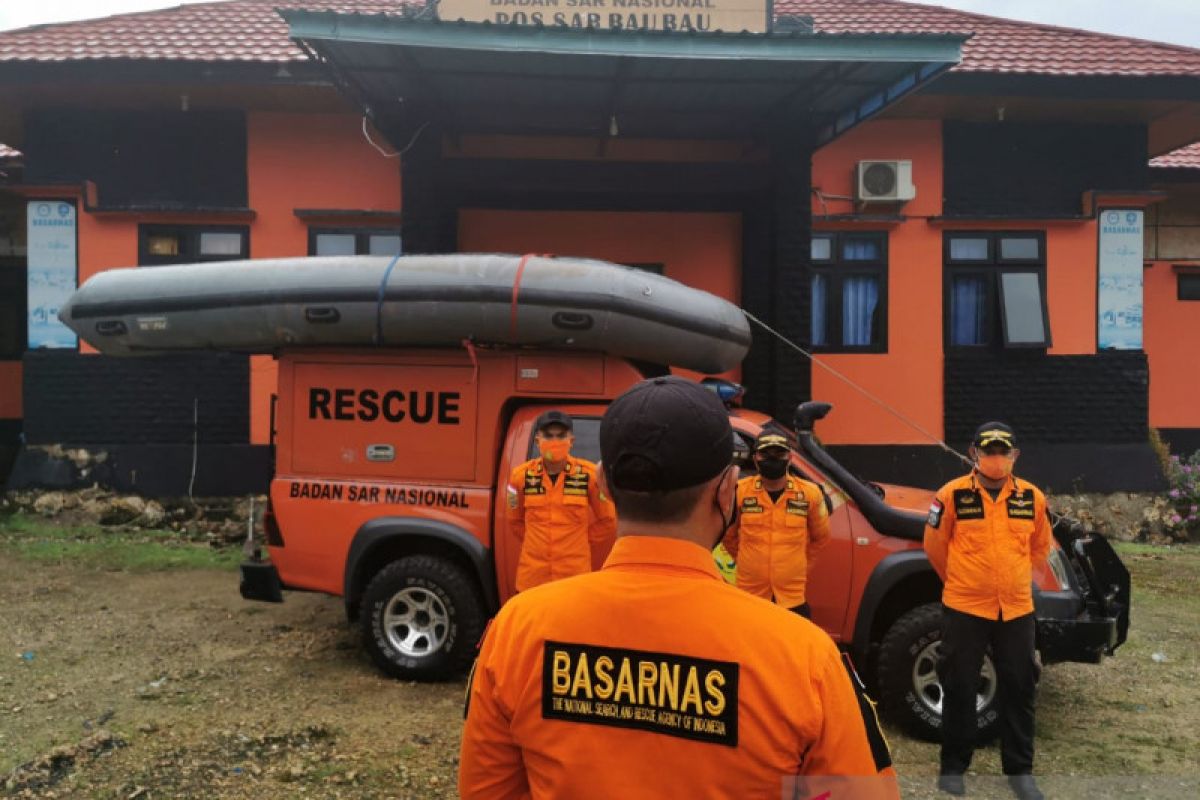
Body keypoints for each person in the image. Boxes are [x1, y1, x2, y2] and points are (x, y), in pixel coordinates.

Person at [461, 376, 898, 799]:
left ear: (603, 484)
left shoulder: (514, 632)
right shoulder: (806, 659)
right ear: (728, 490)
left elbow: (486, 790)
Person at [923, 422, 1052, 800]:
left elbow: (1039, 548)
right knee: (959, 683)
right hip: (965, 606)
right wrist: (964, 582)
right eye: (989, 450)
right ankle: (953, 767)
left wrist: (1013, 580)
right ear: (973, 453)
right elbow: (934, 546)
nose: (996, 458)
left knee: (1021, 685)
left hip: (1015, 609)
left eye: (1003, 451)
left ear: (1015, 456)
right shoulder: (950, 495)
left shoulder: (1032, 497)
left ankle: (1020, 771)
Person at [507, 410, 616, 592]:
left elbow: (608, 520)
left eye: (561, 436)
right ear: (537, 441)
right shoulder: (520, 477)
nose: (555, 441)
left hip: (572, 576)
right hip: (533, 577)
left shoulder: (588, 476)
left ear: (571, 441)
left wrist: (579, 540)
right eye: (548, 436)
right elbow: (514, 521)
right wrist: (537, 540)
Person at [723, 432, 830, 618]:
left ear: (789, 458)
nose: (772, 459)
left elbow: (821, 537)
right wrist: (747, 560)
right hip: (751, 593)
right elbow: (728, 535)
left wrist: (800, 566)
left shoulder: (810, 493)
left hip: (791, 597)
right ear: (755, 459)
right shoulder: (740, 492)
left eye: (779, 454)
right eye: (765, 454)